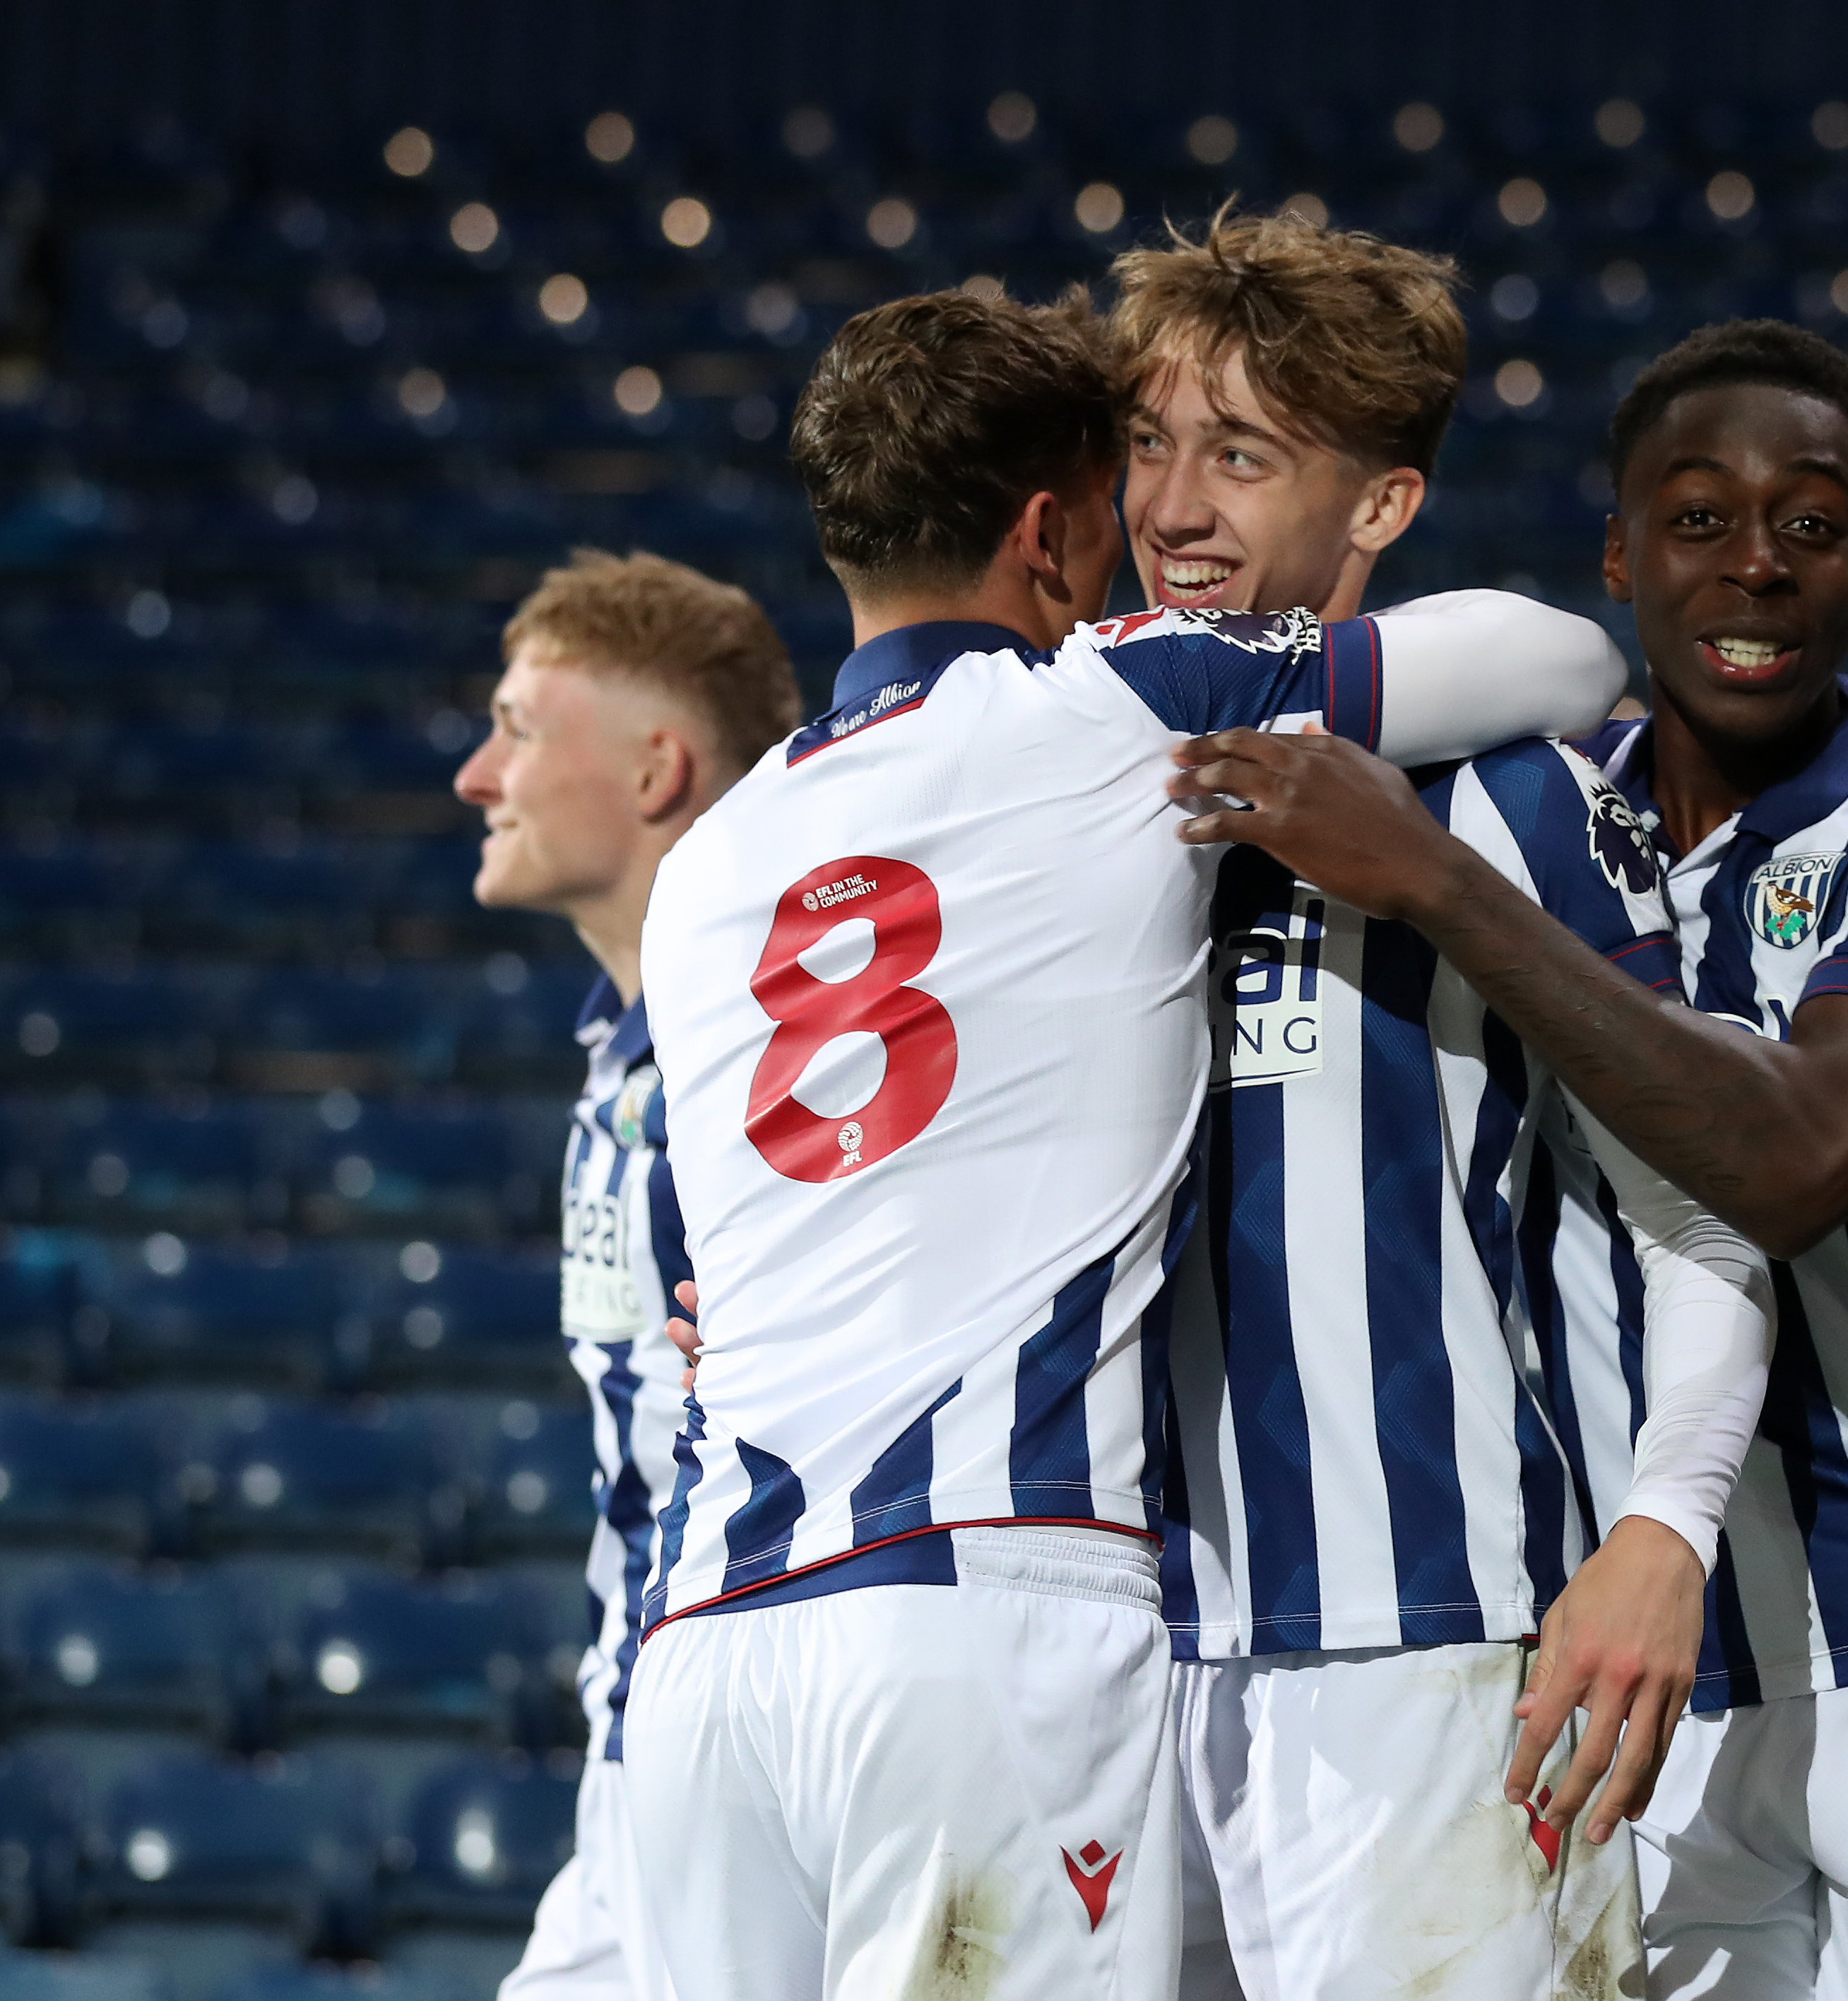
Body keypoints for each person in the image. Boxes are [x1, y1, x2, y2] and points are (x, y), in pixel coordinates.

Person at [622, 286, 1630, 2001]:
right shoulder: (1110, 704)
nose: (1156, 521)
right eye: (1131, 473)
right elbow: (1570, 653)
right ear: (1046, 530)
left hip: (705, 1654)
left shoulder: (718, 856)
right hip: (971, 1611)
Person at [1163, 319, 1848, 1999]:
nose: (1755, 565)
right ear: (1621, 559)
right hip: (1645, 1674)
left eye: (1809, 523)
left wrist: (1435, 887)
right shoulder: (1535, 809)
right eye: (1698, 521)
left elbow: (1794, 1163)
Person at [1107, 208, 1772, 2001]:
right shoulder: (1070, 799)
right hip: (1101, 1660)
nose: (1173, 507)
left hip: (1424, 1652)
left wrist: (1661, 1529)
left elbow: (1705, 1192)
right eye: (1149, 446)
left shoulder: (1515, 806)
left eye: (1241, 455)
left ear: (1380, 507)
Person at [449, 548, 802, 2001]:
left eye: (520, 730)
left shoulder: (764, 1051)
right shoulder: (626, 1049)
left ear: (659, 768)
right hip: (639, 1739)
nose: (478, 775)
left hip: (746, 1752)